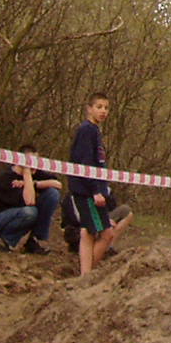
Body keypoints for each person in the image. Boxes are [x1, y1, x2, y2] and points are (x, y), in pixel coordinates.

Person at [69, 91, 133, 276]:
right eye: (99, 107)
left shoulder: (95, 131)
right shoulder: (87, 130)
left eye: (106, 108)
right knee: (102, 233)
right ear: (89, 109)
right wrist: (95, 190)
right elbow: (85, 163)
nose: (103, 111)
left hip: (94, 189)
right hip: (87, 190)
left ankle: (85, 274)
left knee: (94, 232)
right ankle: (86, 275)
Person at [0, 155, 64, 253]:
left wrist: (34, 183)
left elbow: (58, 184)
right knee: (30, 212)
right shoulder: (6, 178)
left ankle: (36, 239)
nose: (35, 164)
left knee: (52, 193)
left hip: (16, 215)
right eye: (32, 161)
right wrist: (27, 174)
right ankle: (4, 240)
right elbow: (29, 201)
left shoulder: (36, 173)